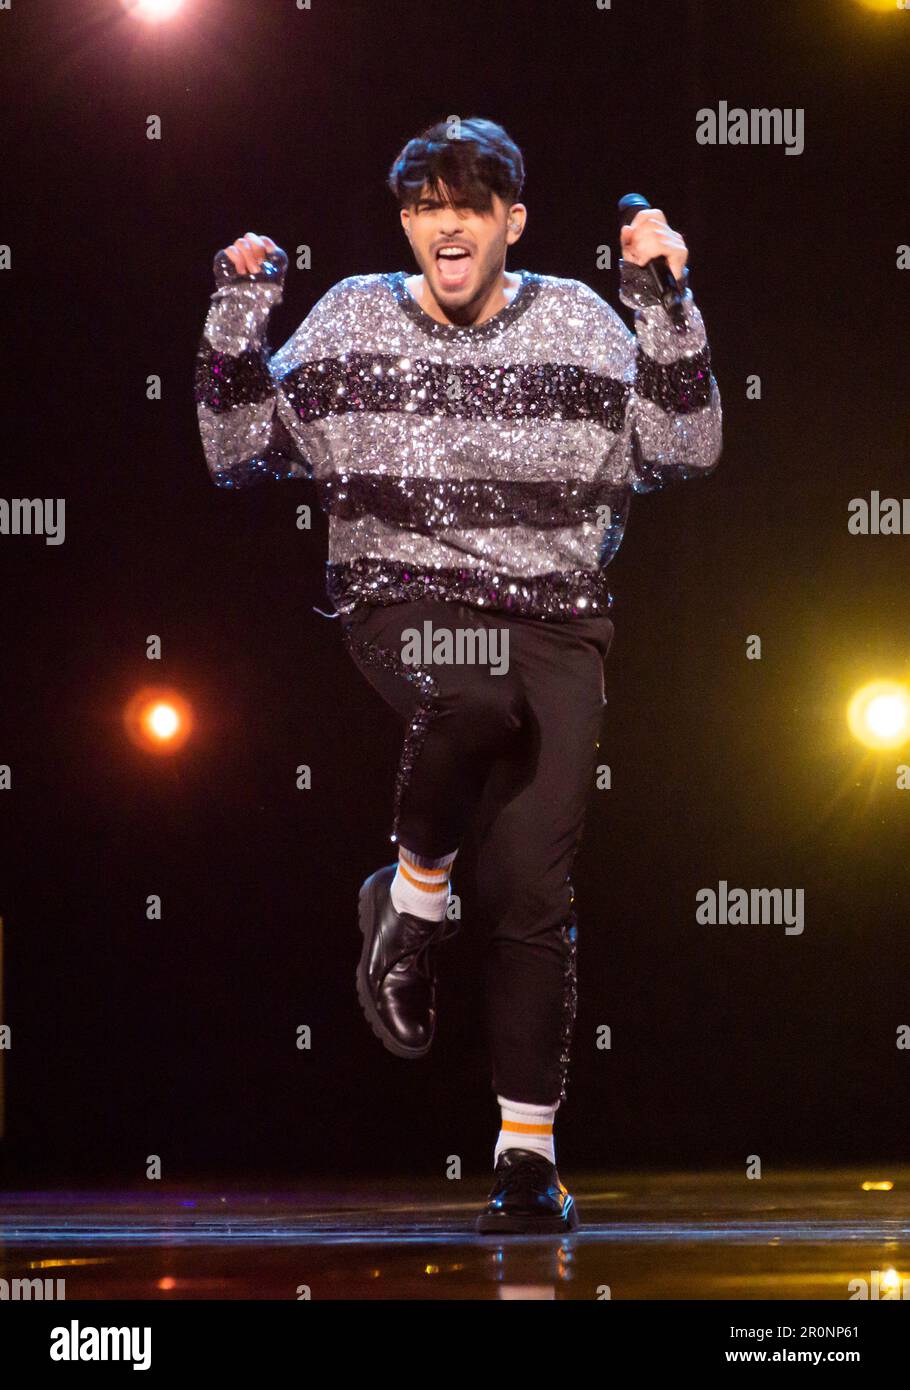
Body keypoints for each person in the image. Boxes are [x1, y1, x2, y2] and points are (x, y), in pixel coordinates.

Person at [194, 116, 722, 1234]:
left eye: (471, 203)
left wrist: (663, 300)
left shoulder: (579, 323)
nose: (449, 221)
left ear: (509, 224)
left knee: (533, 882)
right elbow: (239, 451)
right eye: (428, 201)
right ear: (406, 221)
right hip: (401, 591)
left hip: (562, 616)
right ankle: (416, 898)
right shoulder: (349, 316)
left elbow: (684, 449)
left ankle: (525, 1155)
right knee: (471, 692)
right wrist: (240, 308)